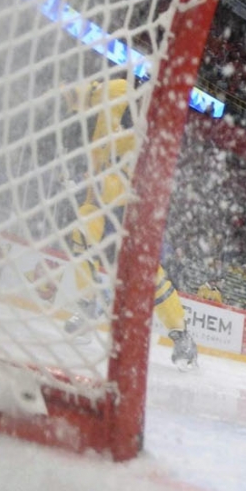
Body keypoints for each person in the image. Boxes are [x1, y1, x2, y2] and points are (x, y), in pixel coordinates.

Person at [62, 76, 195, 367]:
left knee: (150, 276)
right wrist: (76, 92)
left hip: (131, 215)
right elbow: (108, 90)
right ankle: (87, 308)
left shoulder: (150, 139)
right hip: (98, 206)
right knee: (81, 233)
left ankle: (182, 335)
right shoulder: (115, 111)